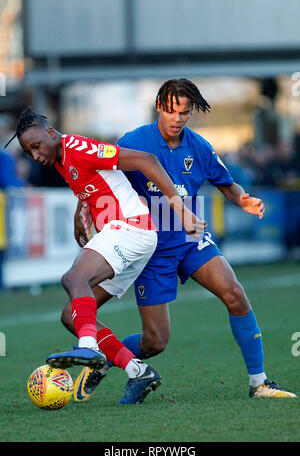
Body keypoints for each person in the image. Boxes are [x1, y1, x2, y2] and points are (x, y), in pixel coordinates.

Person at [65, 78, 296, 400]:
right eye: (172, 111)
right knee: (154, 342)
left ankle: (259, 383)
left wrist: (243, 199)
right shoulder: (135, 140)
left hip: (189, 237)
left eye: (184, 113)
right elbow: (99, 171)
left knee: (234, 293)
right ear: (160, 107)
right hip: (150, 245)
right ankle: (107, 360)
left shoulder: (199, 146)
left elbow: (226, 183)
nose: (178, 118)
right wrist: (83, 208)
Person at [5, 106, 206, 404]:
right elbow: (91, 181)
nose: (35, 155)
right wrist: (81, 209)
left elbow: (146, 160)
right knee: (71, 315)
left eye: (36, 146)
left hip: (131, 228)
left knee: (74, 278)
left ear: (50, 133)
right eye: (28, 152)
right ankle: (138, 370)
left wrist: (180, 209)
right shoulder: (62, 158)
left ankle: (89, 347)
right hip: (129, 235)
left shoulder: (77, 146)